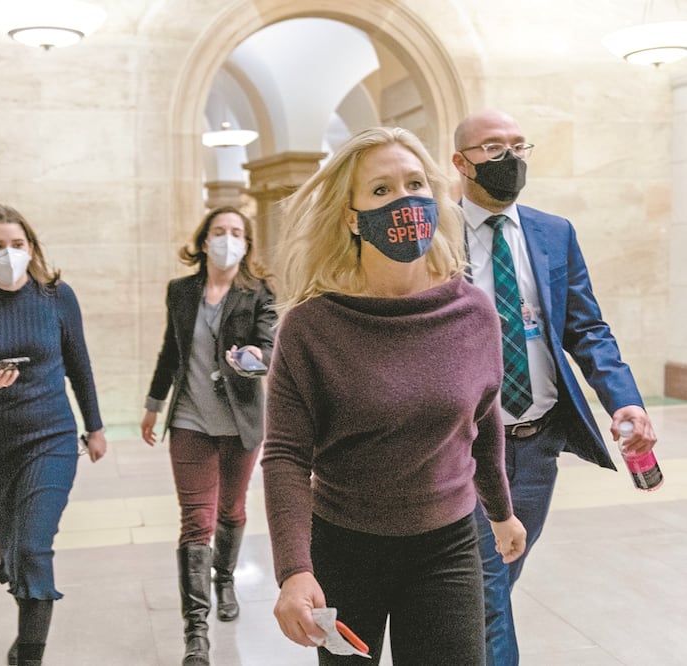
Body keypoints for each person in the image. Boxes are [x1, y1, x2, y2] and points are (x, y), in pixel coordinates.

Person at [261, 126, 527, 666]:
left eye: (415, 184)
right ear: (352, 217)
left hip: (447, 544)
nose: (404, 201)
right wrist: (294, 570)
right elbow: (285, 454)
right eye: (381, 190)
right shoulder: (311, 327)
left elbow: (482, 421)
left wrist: (501, 512)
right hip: (345, 546)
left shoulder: (473, 311)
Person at [451, 109, 659, 665]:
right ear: (460, 162)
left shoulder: (553, 232)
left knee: (497, 577)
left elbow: (586, 328)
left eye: (519, 145)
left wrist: (625, 401)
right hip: (467, 445)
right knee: (486, 591)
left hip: (536, 444)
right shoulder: (438, 237)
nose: (510, 158)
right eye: (493, 148)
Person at [0, 204, 107, 666]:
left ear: (31, 248)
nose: (8, 253)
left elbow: (80, 366)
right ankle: (25, 630)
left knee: (33, 548)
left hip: (52, 438)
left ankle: (30, 656)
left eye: (17, 244)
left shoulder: (57, 296)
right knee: (14, 550)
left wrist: (94, 426)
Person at [140, 206, 277, 666]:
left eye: (236, 232)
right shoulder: (181, 291)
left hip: (239, 422)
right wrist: (154, 403)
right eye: (219, 231)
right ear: (203, 240)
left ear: (246, 243)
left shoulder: (259, 291)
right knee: (196, 521)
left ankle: (225, 578)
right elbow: (171, 350)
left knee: (231, 510)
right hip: (190, 420)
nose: (227, 239)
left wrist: (255, 357)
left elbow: (269, 347)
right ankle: (196, 632)